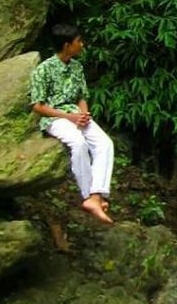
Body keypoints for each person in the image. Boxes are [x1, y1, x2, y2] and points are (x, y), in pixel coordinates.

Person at [30, 23, 114, 225]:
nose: (82, 44)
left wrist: (83, 114)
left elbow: (81, 96)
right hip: (55, 118)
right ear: (67, 45)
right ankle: (88, 197)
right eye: (78, 41)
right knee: (78, 143)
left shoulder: (76, 67)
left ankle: (97, 194)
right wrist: (69, 117)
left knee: (105, 144)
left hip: (77, 115)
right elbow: (38, 106)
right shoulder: (43, 70)